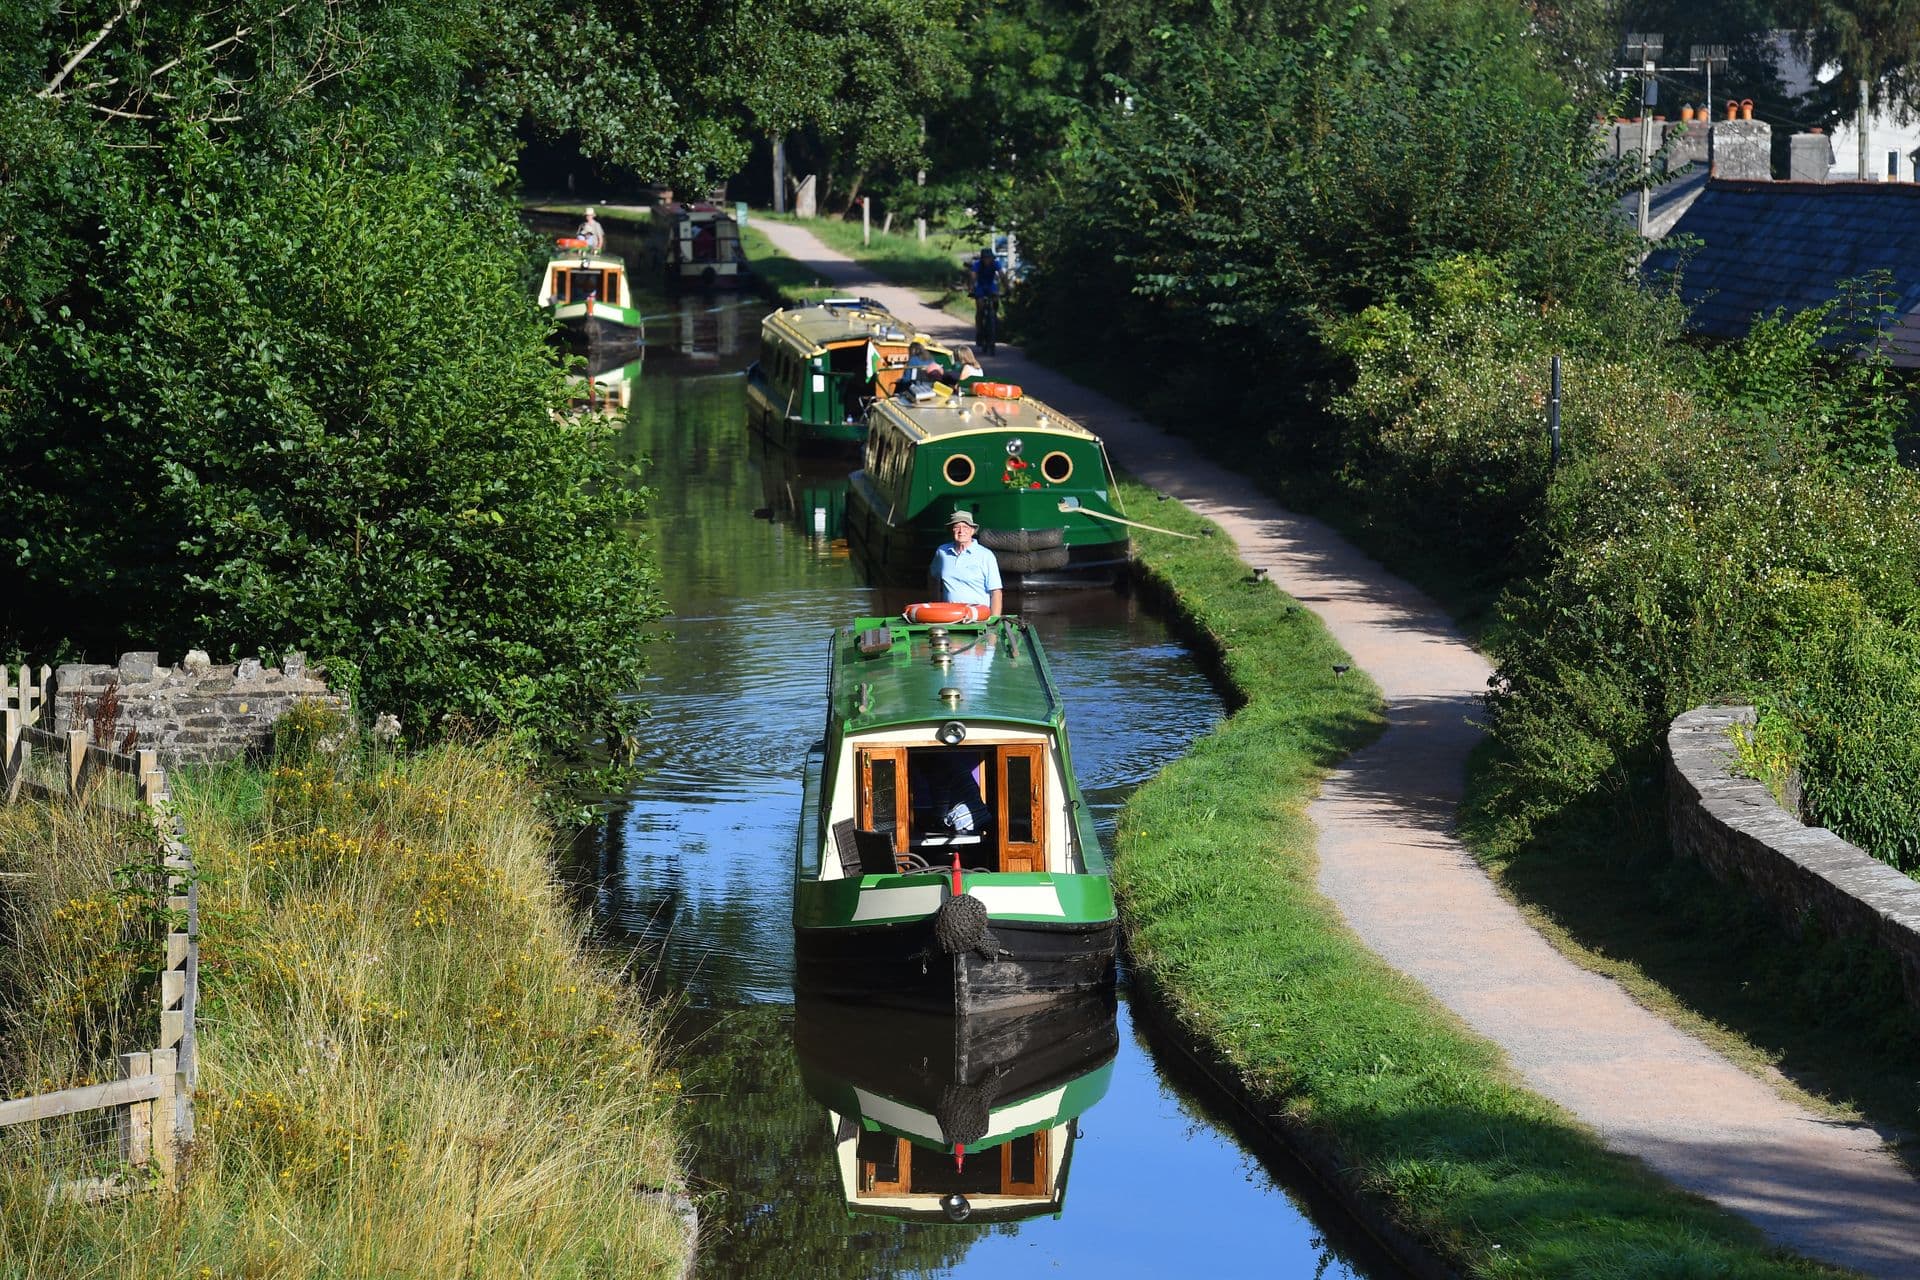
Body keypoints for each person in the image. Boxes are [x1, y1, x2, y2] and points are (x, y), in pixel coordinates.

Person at [929, 509, 1002, 617]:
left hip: (977, 618)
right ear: (951, 530)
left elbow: (996, 592)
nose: (961, 531)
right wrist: (936, 605)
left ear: (972, 531)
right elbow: (932, 576)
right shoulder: (942, 552)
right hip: (948, 617)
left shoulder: (986, 555)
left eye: (965, 527)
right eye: (957, 527)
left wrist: (994, 621)